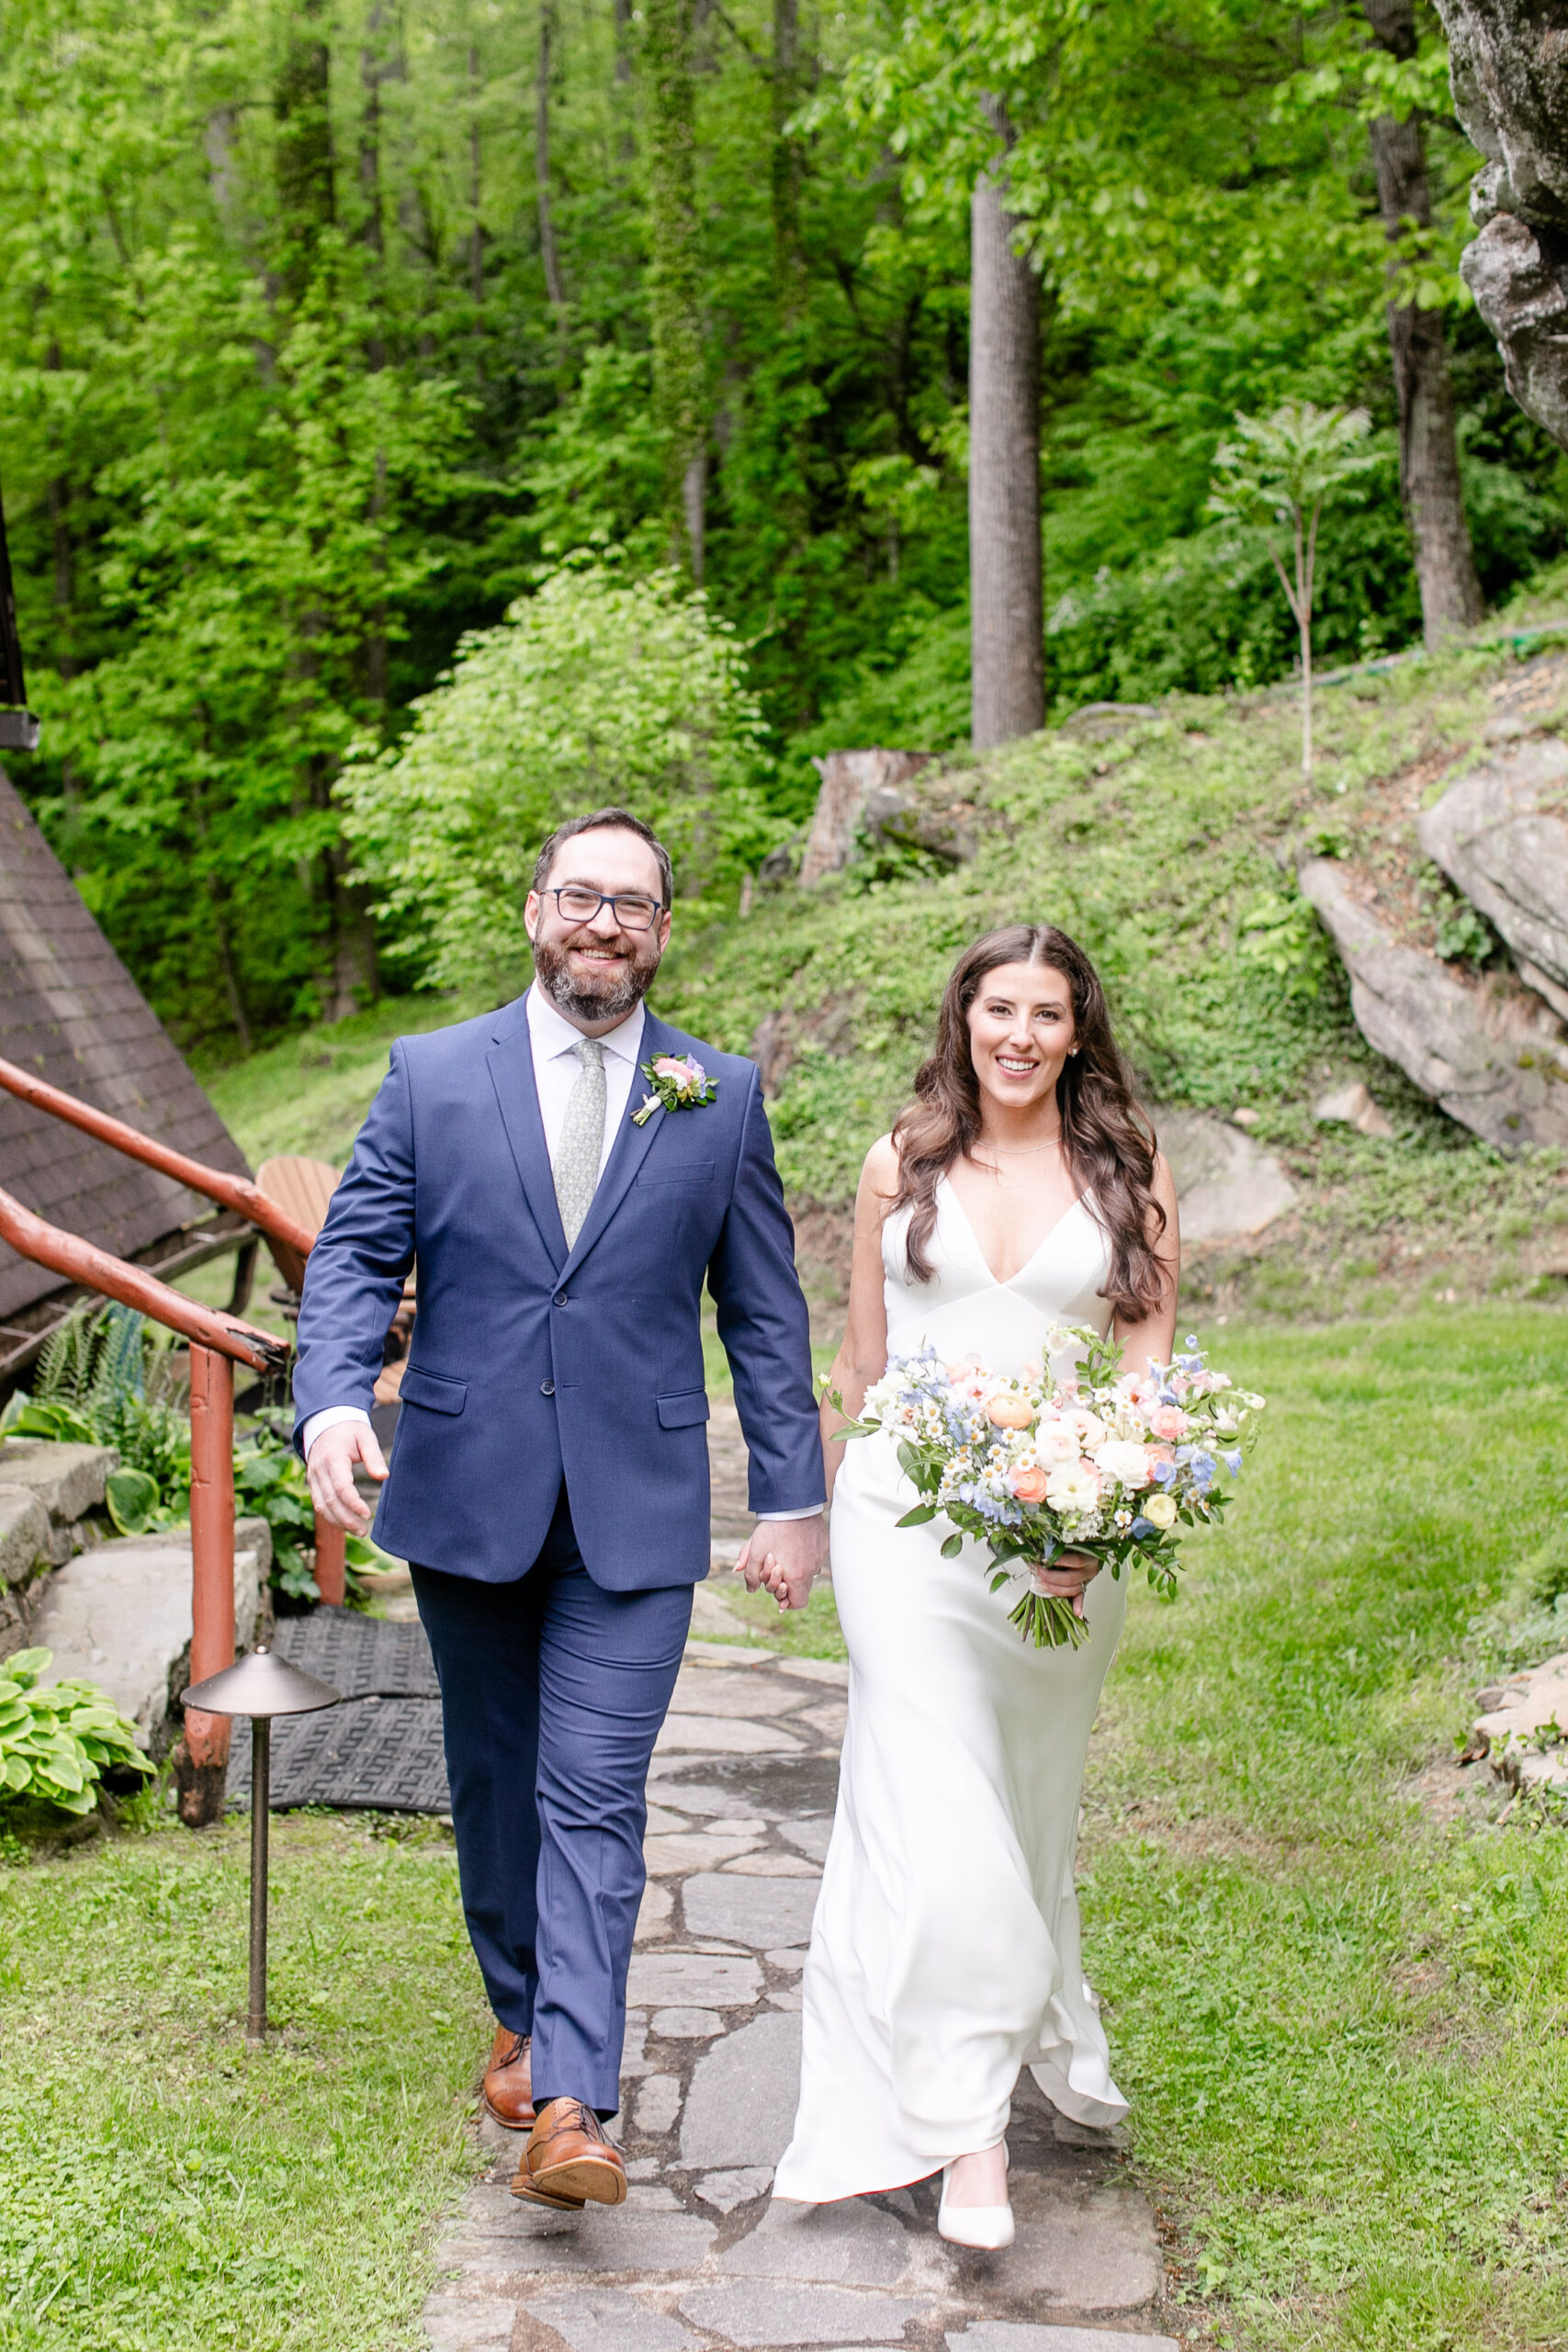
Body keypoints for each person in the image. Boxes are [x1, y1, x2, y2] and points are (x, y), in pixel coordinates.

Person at [294, 808, 826, 2213]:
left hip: (637, 1511)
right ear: (535, 911)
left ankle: (574, 2100)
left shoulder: (718, 1093)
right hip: (467, 1494)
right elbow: (354, 1254)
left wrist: (791, 1498)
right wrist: (335, 1397)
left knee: (594, 1791)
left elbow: (764, 1315)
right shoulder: (430, 1076)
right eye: (582, 897)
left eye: (634, 906)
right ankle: (523, 2012)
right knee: (493, 1782)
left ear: (661, 932)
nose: (605, 924)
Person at [770, 922, 1179, 2248]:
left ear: (1078, 1031)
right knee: (938, 1801)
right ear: (965, 1019)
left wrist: (1102, 1519)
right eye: (998, 1008)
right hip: (909, 1521)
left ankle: (1014, 2028)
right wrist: (830, 1516)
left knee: (1021, 1813)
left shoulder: (1129, 1168)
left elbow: (1147, 1374)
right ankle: (968, 2136)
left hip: (1063, 1540)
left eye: (1046, 1014)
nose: (1019, 1034)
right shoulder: (904, 1160)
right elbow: (864, 1365)